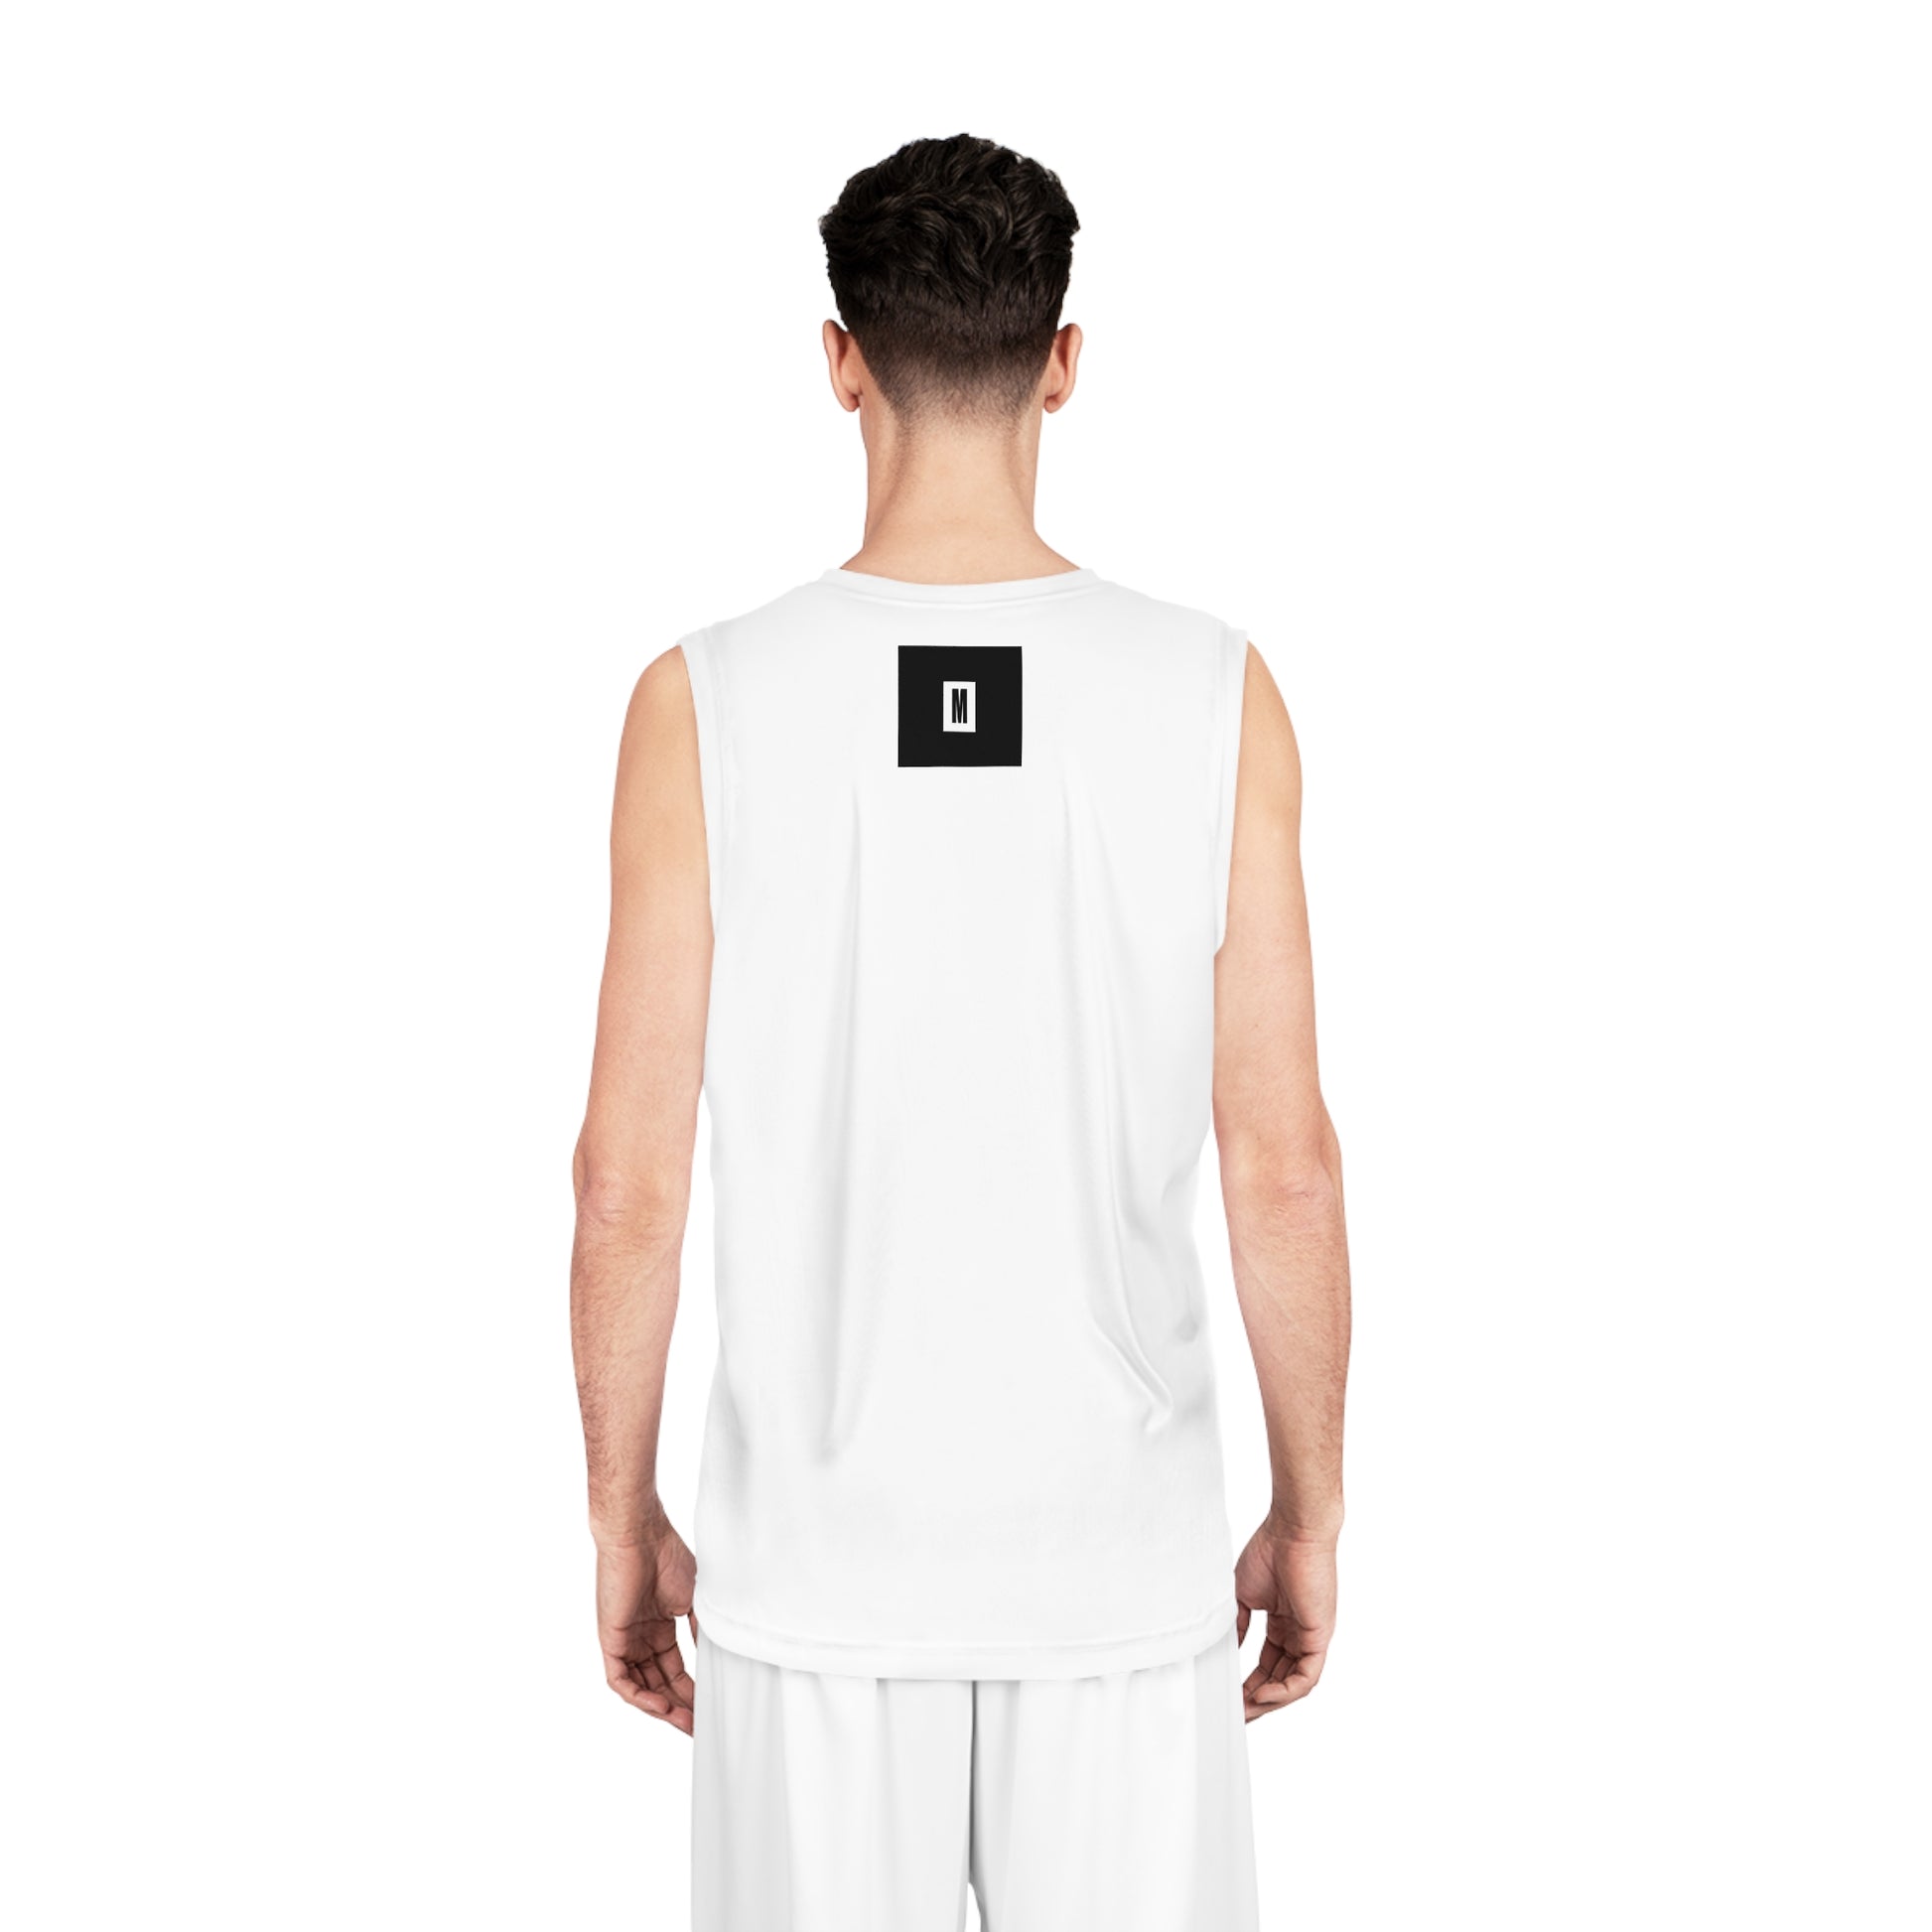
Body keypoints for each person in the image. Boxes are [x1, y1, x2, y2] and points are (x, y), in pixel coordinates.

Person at [570, 132, 1351, 1932]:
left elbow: (626, 1178)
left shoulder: (700, 703)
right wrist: (1306, 1511)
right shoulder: (1215, 692)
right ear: (1062, 360)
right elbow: (1283, 1166)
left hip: (812, 1582)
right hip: (1121, 1579)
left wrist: (622, 1519)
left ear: (838, 360)